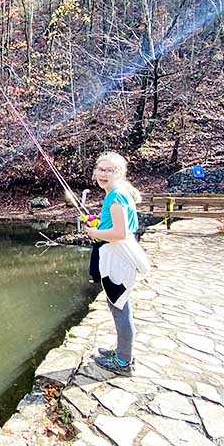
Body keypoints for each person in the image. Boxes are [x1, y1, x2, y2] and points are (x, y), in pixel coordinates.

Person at [83, 151, 145, 376]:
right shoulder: (118, 193)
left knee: (120, 307)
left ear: (121, 173)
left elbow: (119, 232)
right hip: (116, 254)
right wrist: (100, 225)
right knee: (117, 304)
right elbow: (119, 226)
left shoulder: (116, 196)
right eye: (101, 169)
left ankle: (123, 362)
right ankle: (122, 351)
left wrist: (94, 232)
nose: (104, 174)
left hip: (117, 257)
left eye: (110, 170)